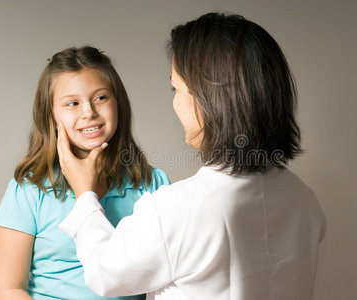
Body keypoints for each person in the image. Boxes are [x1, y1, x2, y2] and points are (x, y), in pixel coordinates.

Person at [58, 13, 326, 300]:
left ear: (208, 98)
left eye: (177, 88)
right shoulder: (304, 200)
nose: (174, 101)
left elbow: (103, 273)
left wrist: (85, 195)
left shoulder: (175, 210)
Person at [0, 46, 170, 300]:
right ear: (51, 116)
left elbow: (169, 274)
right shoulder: (29, 191)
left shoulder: (152, 184)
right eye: (72, 103)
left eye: (101, 98)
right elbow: (7, 288)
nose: (88, 112)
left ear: (119, 104)